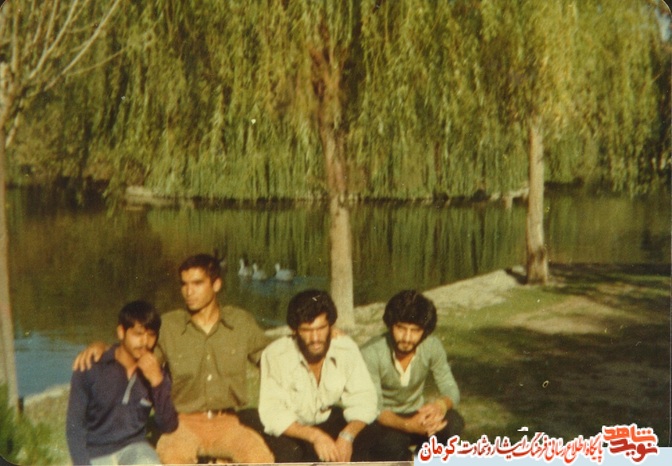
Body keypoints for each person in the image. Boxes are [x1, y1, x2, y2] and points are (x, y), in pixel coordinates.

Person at [73, 253, 274, 463]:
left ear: (216, 285)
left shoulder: (240, 323)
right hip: (182, 424)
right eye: (184, 284)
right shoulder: (169, 326)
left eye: (197, 283)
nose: (188, 291)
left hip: (228, 423)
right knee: (172, 457)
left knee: (260, 457)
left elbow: (272, 359)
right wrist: (103, 348)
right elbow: (136, 355)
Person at [256, 289, 378, 462]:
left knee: (381, 438)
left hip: (327, 420)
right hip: (294, 429)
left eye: (321, 328)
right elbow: (273, 413)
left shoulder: (345, 348)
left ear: (331, 326)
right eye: (306, 330)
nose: (315, 338)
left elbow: (364, 398)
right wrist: (315, 437)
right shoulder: (275, 355)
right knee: (290, 454)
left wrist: (347, 435)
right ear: (294, 330)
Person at [66, 300, 178, 465]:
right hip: (95, 452)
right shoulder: (91, 367)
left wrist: (157, 382)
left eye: (151, 335)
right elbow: (74, 427)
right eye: (138, 334)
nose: (145, 342)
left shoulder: (156, 372)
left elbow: (168, 426)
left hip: (134, 448)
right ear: (121, 332)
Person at [358, 289, 464, 461]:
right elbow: (374, 408)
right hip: (385, 421)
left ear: (425, 331)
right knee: (390, 444)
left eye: (415, 330)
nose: (407, 338)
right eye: (401, 328)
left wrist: (440, 406)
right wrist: (408, 426)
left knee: (454, 422)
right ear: (390, 325)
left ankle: (425, 458)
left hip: (417, 413)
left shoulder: (432, 346)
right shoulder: (371, 353)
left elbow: (450, 387)